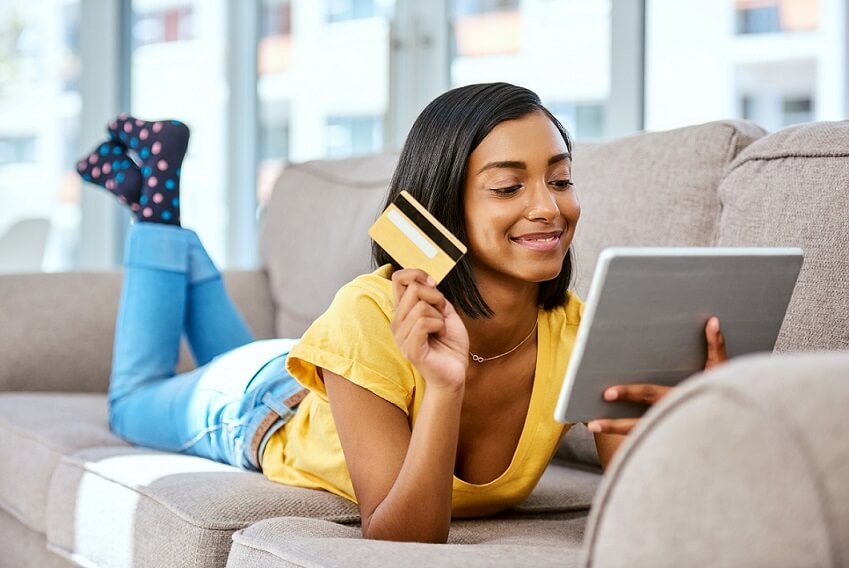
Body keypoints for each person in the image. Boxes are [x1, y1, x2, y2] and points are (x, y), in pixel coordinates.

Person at [77, 83, 727, 544]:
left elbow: (650, 526)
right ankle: (156, 212)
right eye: (508, 186)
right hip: (262, 406)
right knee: (131, 402)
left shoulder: (586, 331)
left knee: (235, 355)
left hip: (331, 372)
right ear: (442, 207)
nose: (549, 208)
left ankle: (157, 210)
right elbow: (399, 536)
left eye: (558, 179)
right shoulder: (369, 310)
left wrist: (694, 419)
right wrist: (444, 390)